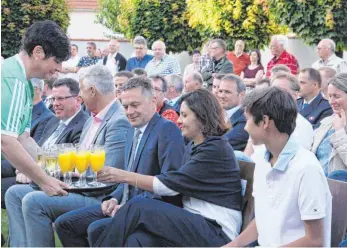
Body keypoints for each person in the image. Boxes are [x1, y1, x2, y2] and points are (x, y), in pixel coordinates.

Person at [74, 89, 242, 247]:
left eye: (184, 115)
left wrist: (123, 176)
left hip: (216, 232)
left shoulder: (214, 149)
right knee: (135, 238)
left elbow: (170, 185)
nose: (179, 120)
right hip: (197, 223)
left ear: (201, 117)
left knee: (138, 206)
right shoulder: (197, 146)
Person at [5, 65, 131, 247]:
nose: (80, 97)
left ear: (92, 91)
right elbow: (76, 161)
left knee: (34, 201)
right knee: (15, 193)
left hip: (101, 197)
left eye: (81, 91)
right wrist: (50, 173)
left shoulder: (118, 121)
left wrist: (61, 180)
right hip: (82, 186)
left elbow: (109, 178)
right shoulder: (92, 120)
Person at [54, 77, 185, 247]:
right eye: (125, 106)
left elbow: (169, 186)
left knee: (97, 229)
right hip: (125, 205)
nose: (129, 111)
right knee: (65, 224)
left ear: (153, 101)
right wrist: (114, 199)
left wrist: (128, 207)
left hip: (149, 211)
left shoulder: (167, 129)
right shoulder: (132, 130)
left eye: (135, 105)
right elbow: (125, 181)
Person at [225, 87, 331, 247]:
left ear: (265, 122)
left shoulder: (306, 168)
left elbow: (315, 241)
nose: (245, 127)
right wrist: (233, 245)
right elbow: (263, 218)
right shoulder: (261, 159)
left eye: (248, 120)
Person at [1, 20, 70, 196]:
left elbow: (23, 139)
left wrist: (57, 169)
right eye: (57, 61)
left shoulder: (25, 83)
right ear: (38, 52)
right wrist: (44, 181)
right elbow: (6, 141)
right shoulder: (13, 79)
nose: (60, 69)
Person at [244, 72, 314, 156]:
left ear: (295, 95)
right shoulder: (261, 118)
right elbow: (248, 152)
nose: (274, 95)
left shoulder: (303, 126)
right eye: (272, 90)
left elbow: (297, 158)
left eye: (281, 92)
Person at [311, 73, 347, 178]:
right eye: (329, 96)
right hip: (318, 186)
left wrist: (340, 131)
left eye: (336, 96)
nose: (331, 102)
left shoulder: (337, 126)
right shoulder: (326, 122)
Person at [218, 75, 249, 151]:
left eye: (227, 92)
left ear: (242, 94)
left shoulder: (245, 119)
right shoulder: (216, 114)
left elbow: (221, 145)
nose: (222, 96)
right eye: (220, 91)